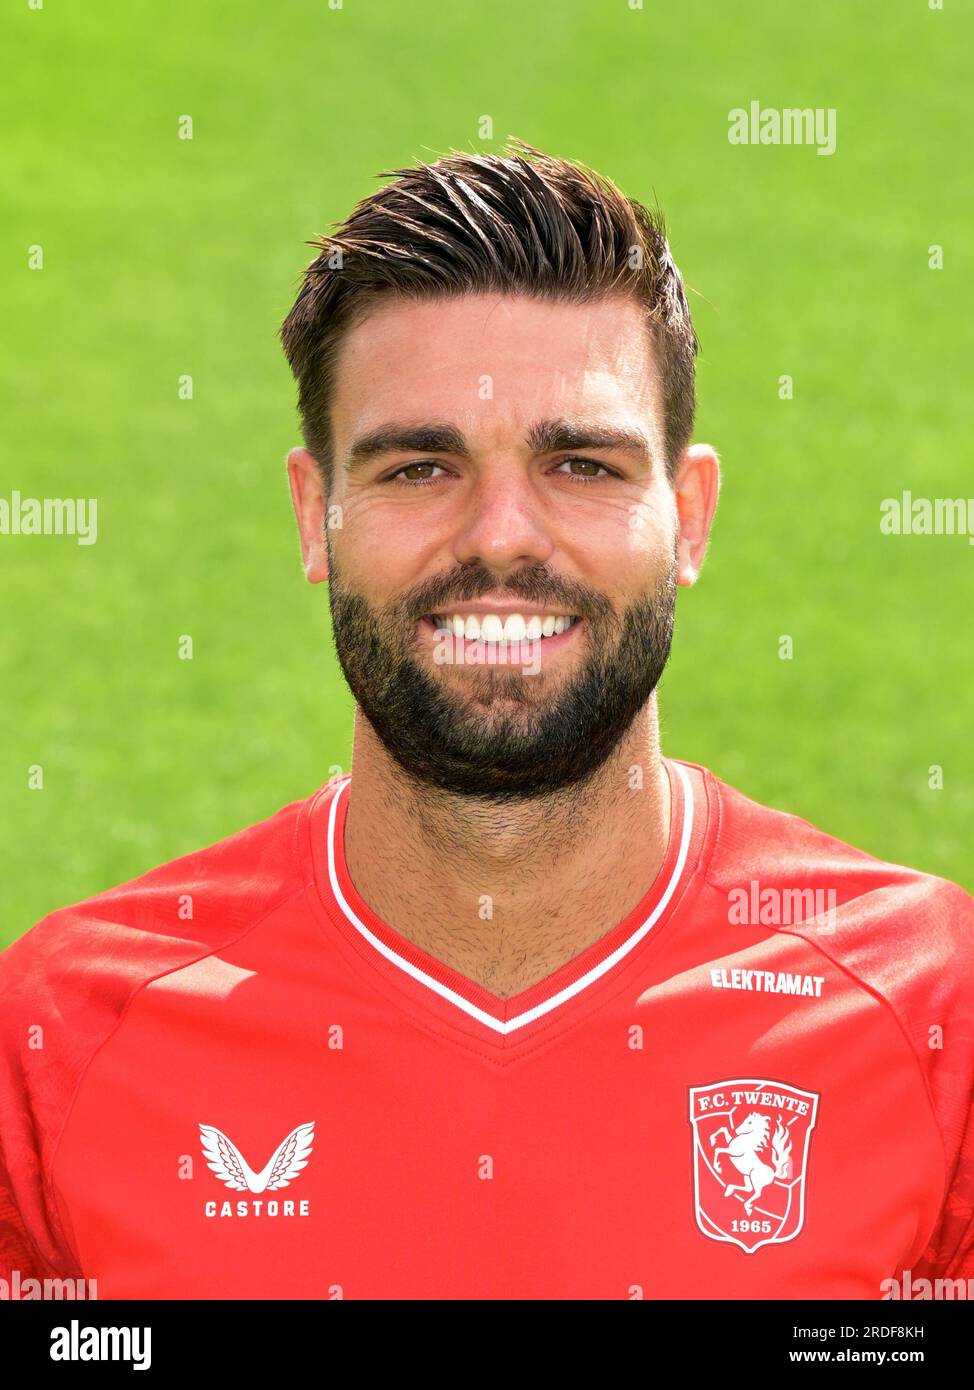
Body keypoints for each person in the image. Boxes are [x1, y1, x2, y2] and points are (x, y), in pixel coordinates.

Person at [2, 141, 971, 1300]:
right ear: (318, 516)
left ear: (689, 514)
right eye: (419, 468)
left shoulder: (930, 1016)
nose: (501, 537)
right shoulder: (66, 1032)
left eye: (580, 463)